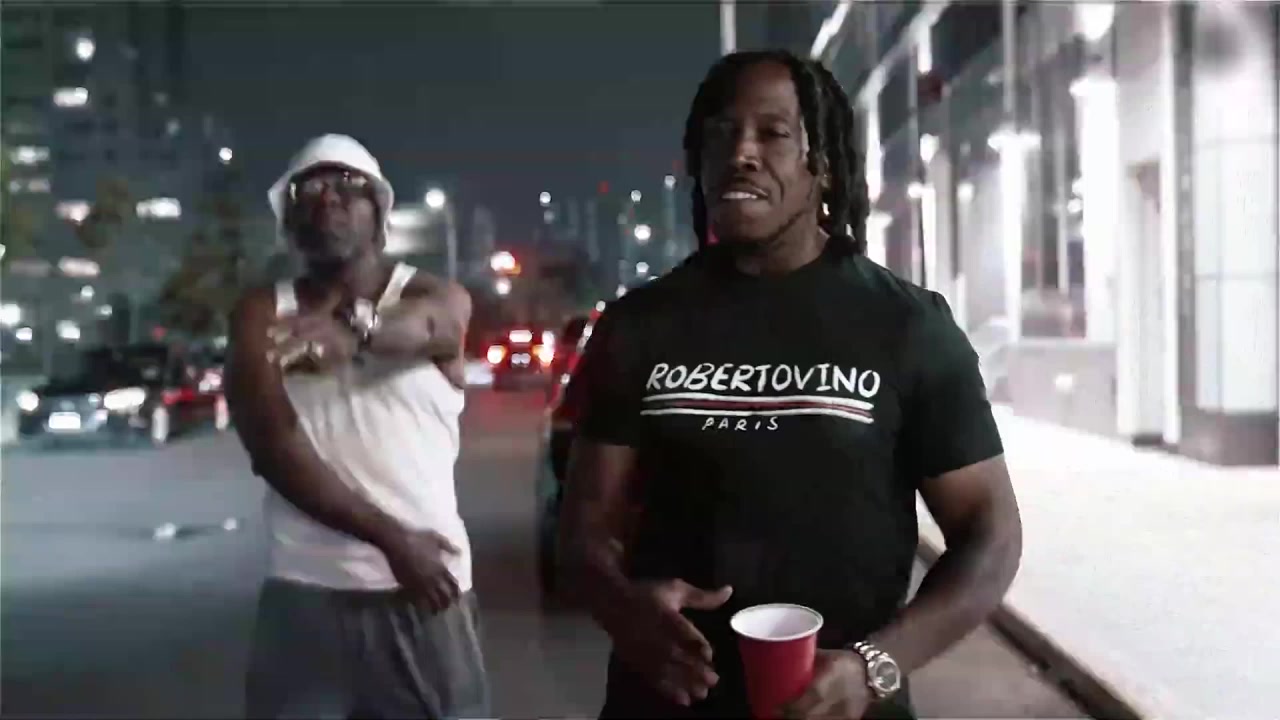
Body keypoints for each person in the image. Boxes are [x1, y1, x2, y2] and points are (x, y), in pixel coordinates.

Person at [558, 50, 1023, 719]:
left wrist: (875, 666)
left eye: (772, 133)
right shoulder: (639, 326)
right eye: (721, 134)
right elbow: (582, 534)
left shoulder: (906, 326)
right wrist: (623, 609)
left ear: (822, 164)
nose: (741, 153)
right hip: (664, 703)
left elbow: (991, 532)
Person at [226, 134, 489, 718]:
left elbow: (432, 327)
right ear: (288, 222)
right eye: (309, 189)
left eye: (349, 185)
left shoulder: (434, 295)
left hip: (425, 595)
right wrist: (394, 541)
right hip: (307, 594)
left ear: (380, 215)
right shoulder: (262, 314)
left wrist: (355, 331)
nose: (329, 197)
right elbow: (272, 445)